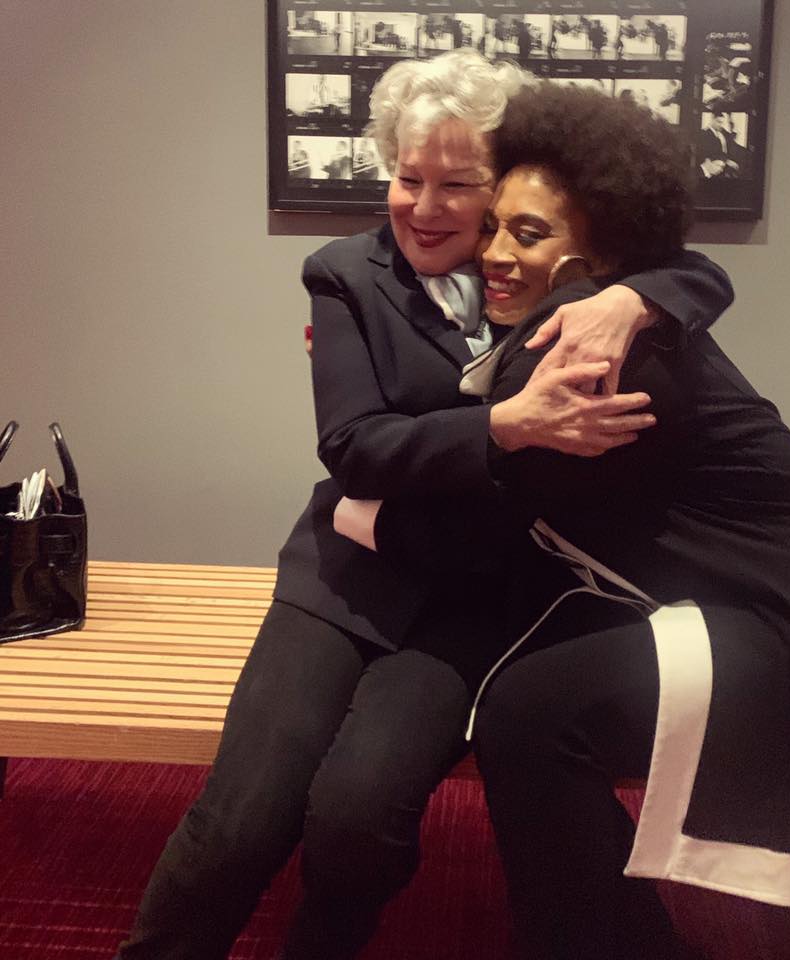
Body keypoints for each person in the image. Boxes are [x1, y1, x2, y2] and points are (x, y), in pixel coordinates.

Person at [114, 51, 733, 960]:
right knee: (242, 819)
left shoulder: (549, 270)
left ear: (503, 188)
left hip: (470, 608)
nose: (427, 206)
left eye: (459, 183)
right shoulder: (344, 274)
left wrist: (637, 297)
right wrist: (507, 427)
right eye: (409, 177)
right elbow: (353, 445)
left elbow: (698, 274)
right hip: (344, 579)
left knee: (357, 819)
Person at [346, 82, 790, 959]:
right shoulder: (595, 322)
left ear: (598, 257)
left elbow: (492, 525)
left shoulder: (602, 355)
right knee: (532, 706)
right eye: (496, 227)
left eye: (529, 233)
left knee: (530, 716)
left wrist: (356, 511)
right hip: (758, 593)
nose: (494, 253)